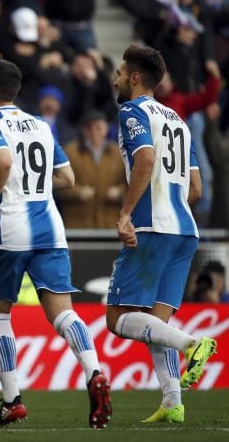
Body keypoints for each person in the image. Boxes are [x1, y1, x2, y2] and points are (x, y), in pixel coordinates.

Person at [0, 52, 111, 429]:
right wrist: (30, 186)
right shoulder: (40, 125)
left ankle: (12, 400)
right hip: (50, 228)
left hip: (9, 232)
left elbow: (0, 162)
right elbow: (67, 179)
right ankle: (94, 371)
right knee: (63, 312)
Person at [107, 44, 218, 424]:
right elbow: (197, 188)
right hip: (185, 229)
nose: (116, 78)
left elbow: (146, 159)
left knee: (118, 318)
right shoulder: (178, 120)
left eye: (120, 73)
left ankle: (193, 344)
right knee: (156, 323)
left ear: (135, 77)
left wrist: (126, 214)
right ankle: (173, 402)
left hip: (152, 227)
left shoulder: (131, 111)